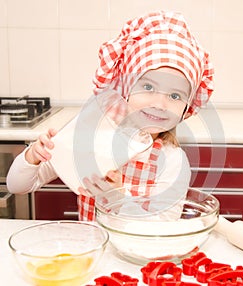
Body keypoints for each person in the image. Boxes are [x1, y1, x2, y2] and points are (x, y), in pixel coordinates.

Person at [7, 11, 214, 221]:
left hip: (138, 255)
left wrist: (116, 197)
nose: (159, 104)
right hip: (93, 251)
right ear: (125, 89)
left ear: (186, 107)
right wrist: (32, 157)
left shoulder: (172, 161)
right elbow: (17, 186)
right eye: (148, 86)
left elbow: (163, 225)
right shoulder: (92, 138)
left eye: (175, 95)